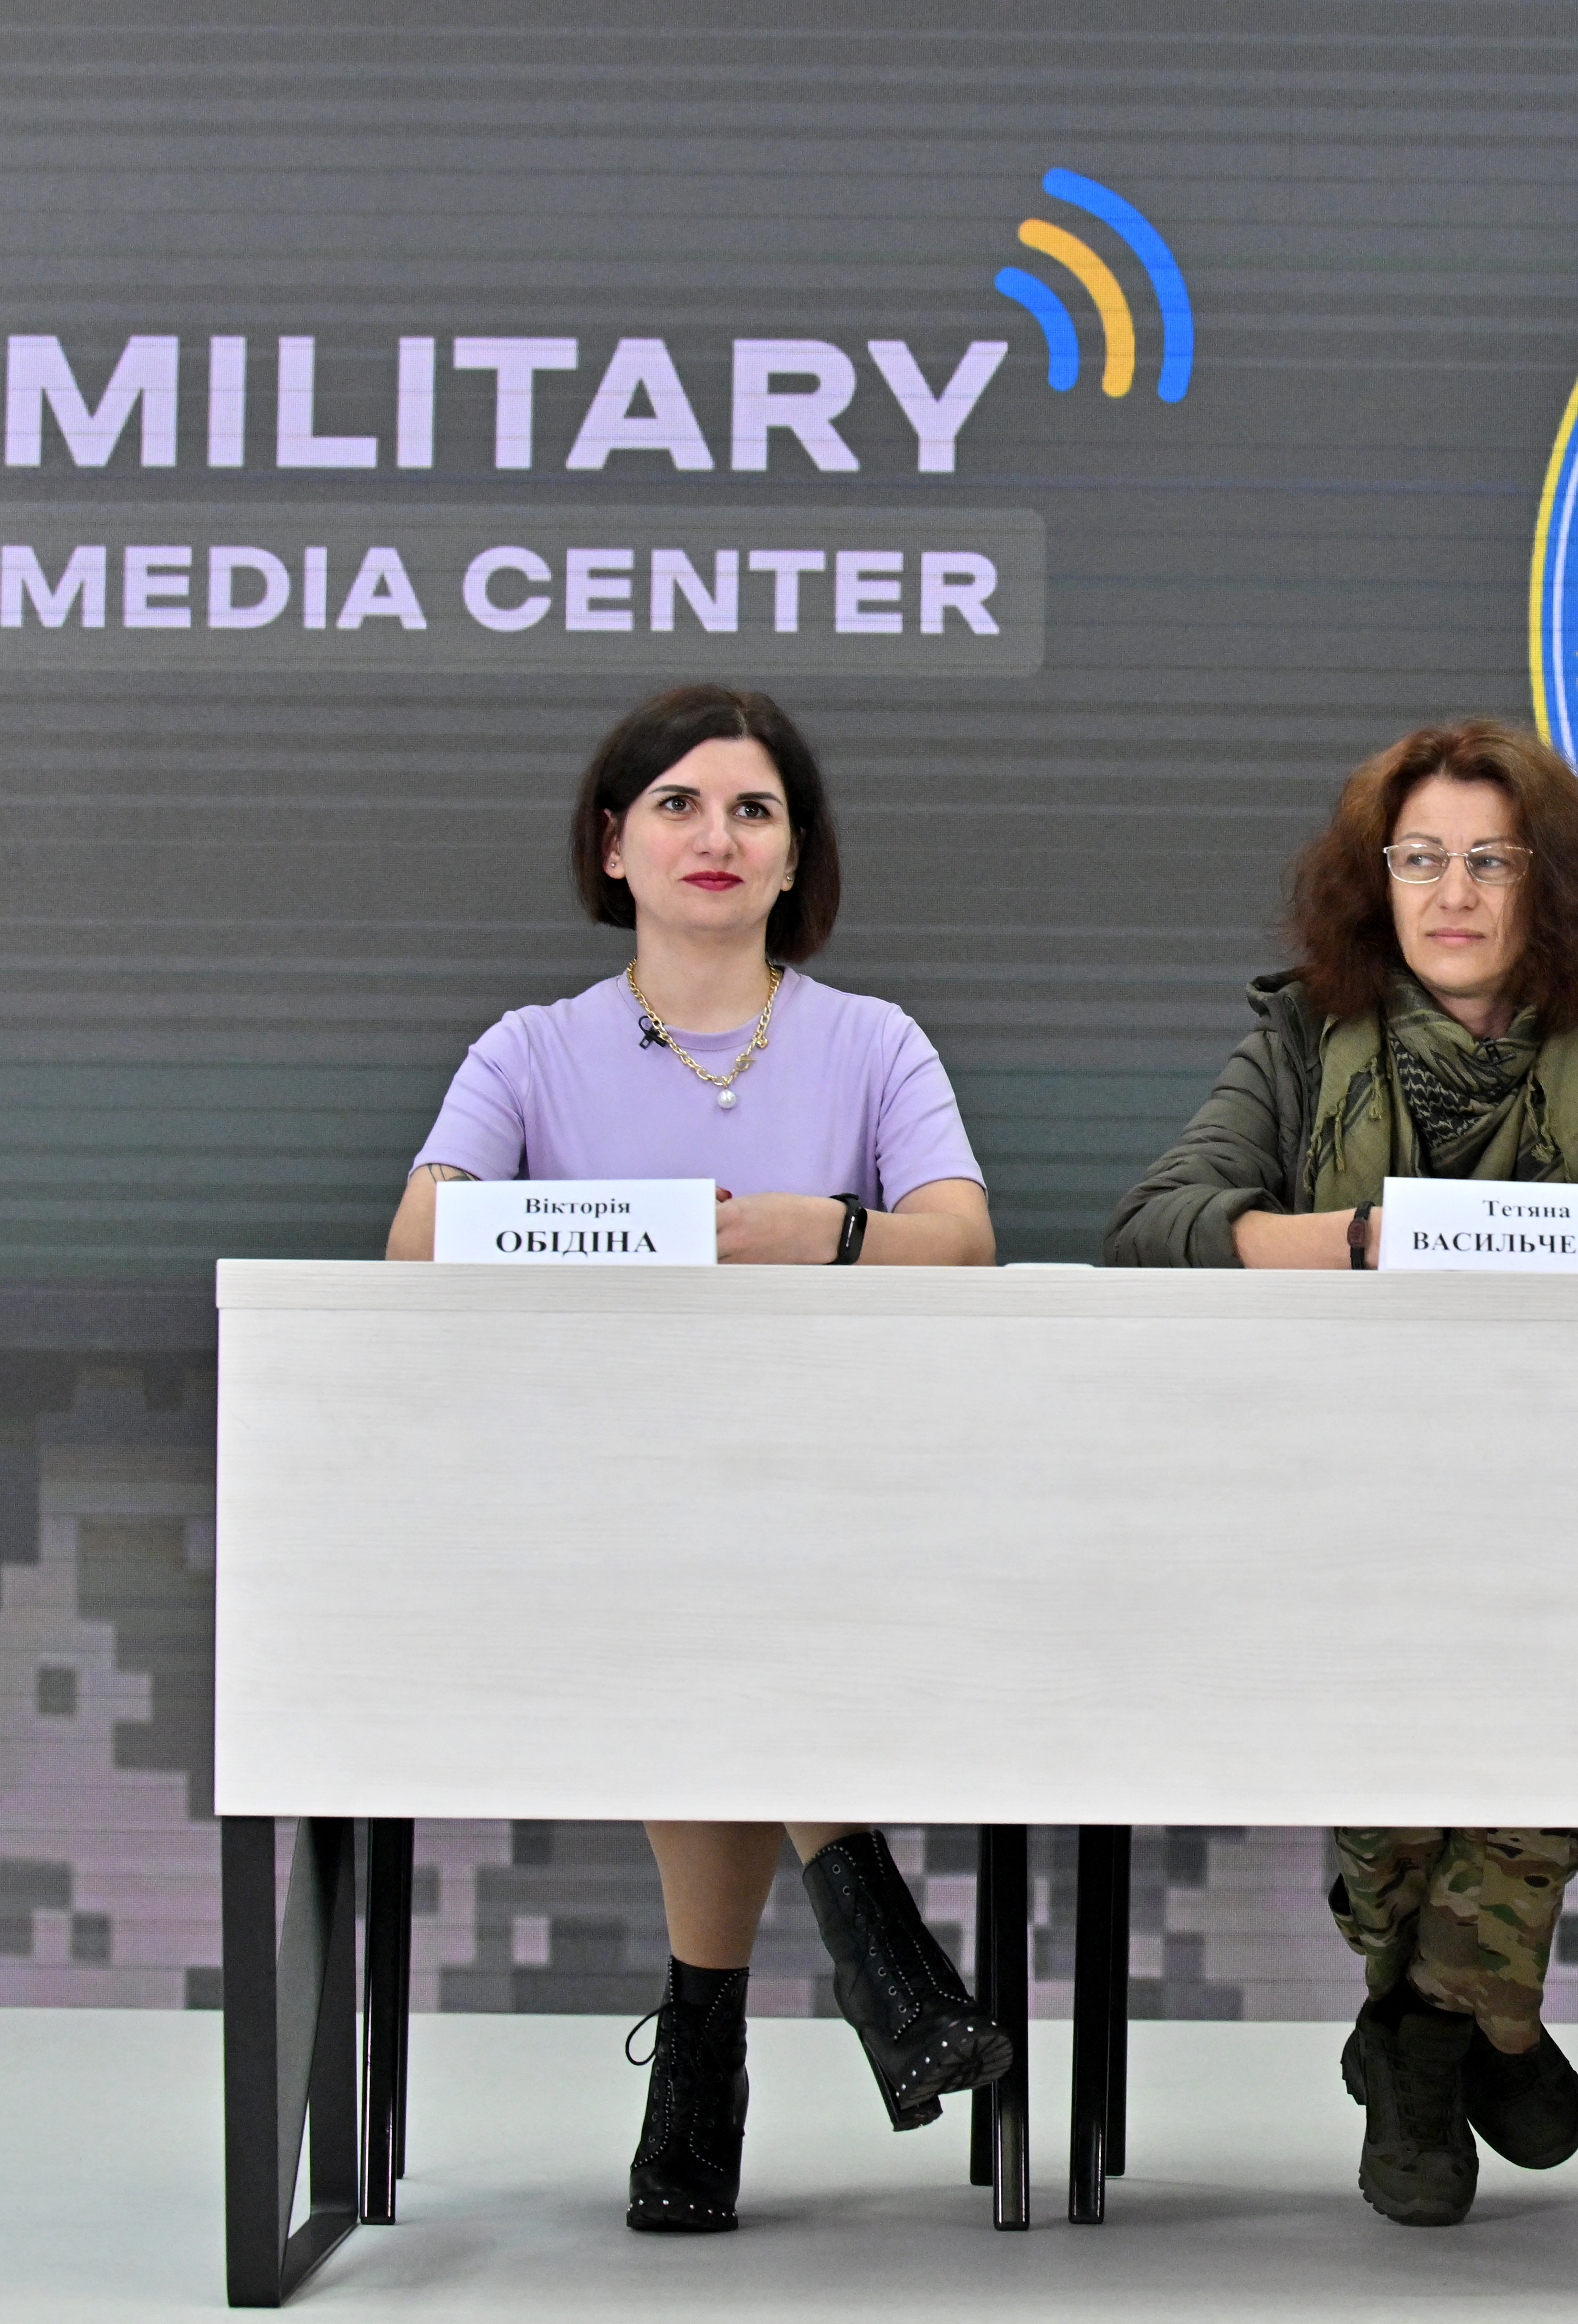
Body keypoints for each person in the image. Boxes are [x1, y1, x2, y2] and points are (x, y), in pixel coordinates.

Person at [1105, 717, 1578, 2226]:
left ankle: (1420, 2031)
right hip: (1337, 1498)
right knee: (1395, 1701)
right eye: (1421, 858)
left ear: (1546, 886)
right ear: (1379, 882)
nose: (1453, 892)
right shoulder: (1303, 1033)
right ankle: (1486, 2015)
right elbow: (1163, 1220)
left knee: (1541, 1672)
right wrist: (1362, 1241)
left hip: (1570, 1498)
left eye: (1491, 861)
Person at [385, 685, 1009, 2235]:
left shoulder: (871, 1041)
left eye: (752, 809)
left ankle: (709, 2050)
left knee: (722, 1571)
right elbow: (420, 1236)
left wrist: (827, 1232)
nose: (714, 836)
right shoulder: (534, 1049)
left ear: (798, 856)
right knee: (688, 1556)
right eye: (676, 804)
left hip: (845, 1491)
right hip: (595, 1499)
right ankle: (873, 1941)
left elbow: (966, 1241)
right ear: (615, 845)